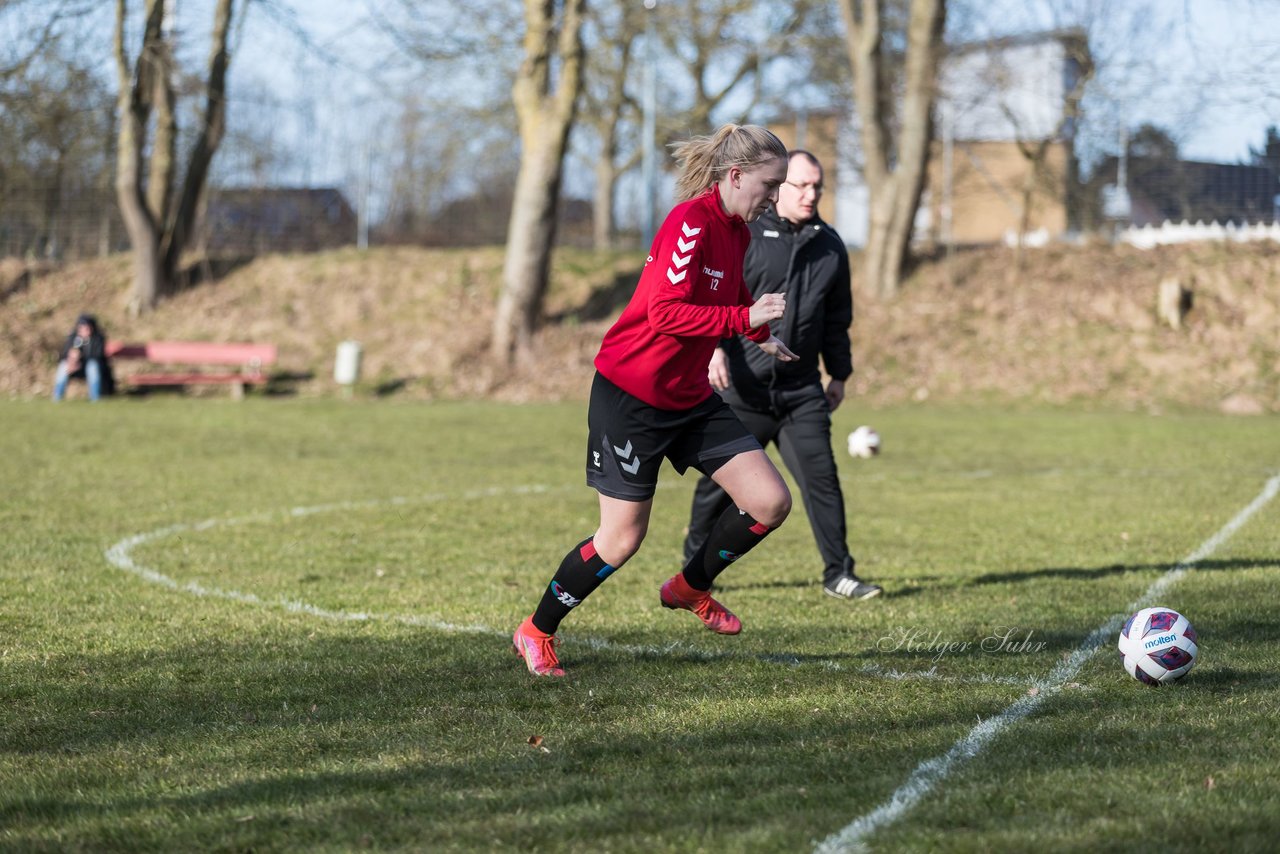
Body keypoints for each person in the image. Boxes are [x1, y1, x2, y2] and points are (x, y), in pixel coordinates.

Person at [513, 124, 799, 677]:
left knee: (769, 502)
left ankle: (689, 588)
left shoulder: (738, 230)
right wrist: (746, 319)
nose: (776, 197)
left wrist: (760, 334)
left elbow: (728, 292)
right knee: (621, 539)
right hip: (631, 397)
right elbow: (665, 312)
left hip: (688, 396)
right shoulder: (688, 222)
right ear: (735, 176)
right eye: (770, 184)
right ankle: (535, 630)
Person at [682, 150, 883, 602]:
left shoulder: (830, 245)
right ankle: (695, 568)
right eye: (801, 185)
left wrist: (840, 374)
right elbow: (711, 296)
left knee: (822, 481)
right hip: (742, 389)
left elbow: (837, 319)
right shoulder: (745, 234)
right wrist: (712, 349)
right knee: (716, 490)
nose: (811, 194)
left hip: (800, 392)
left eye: (818, 187)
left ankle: (839, 574)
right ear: (779, 187)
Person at [52, 314, 115, 402]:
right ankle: (57, 398)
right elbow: (65, 353)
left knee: (92, 366)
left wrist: (80, 357)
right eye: (82, 327)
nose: (85, 329)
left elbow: (98, 356)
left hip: (91, 367)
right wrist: (72, 361)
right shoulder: (73, 337)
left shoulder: (97, 338)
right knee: (63, 367)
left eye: (87, 327)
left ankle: (95, 398)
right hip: (74, 367)